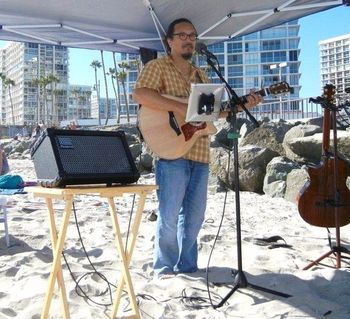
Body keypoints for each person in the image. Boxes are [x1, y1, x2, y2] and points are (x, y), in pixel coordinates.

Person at [133, 18, 262, 279]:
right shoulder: (157, 66)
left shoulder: (202, 75)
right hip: (171, 151)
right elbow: (141, 95)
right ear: (169, 41)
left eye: (192, 35)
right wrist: (183, 108)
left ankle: (188, 267)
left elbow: (210, 115)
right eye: (182, 35)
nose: (188, 39)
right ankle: (164, 268)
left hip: (200, 150)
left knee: (194, 217)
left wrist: (243, 105)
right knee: (169, 215)